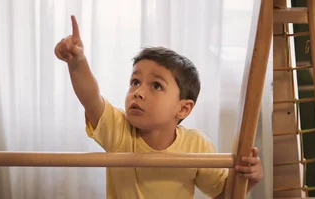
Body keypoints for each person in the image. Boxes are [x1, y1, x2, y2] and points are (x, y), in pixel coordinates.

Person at [54, 15, 263, 199]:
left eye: (156, 85)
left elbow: (223, 194)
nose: (138, 92)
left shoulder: (196, 144)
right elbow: (90, 99)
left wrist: (249, 180)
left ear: (183, 109)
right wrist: (77, 62)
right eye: (135, 81)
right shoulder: (119, 130)